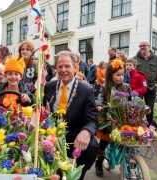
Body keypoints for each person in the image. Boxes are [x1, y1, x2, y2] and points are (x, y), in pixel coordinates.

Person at [43, 51, 99, 180]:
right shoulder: (49, 87)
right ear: (56, 68)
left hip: (74, 134)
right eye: (60, 66)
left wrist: (86, 131)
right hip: (52, 134)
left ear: (75, 67)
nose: (63, 70)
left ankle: (78, 176)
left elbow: (92, 118)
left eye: (67, 66)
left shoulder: (86, 90)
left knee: (91, 147)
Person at [95, 59, 131, 177]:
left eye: (122, 75)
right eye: (118, 75)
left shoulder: (126, 87)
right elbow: (100, 97)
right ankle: (99, 161)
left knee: (128, 139)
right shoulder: (105, 87)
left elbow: (131, 100)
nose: (120, 77)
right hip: (108, 118)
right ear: (110, 75)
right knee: (104, 141)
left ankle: (126, 160)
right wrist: (100, 105)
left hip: (122, 118)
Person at [133, 40, 157, 127]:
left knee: (149, 108)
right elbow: (131, 72)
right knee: (136, 107)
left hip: (151, 87)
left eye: (144, 45)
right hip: (138, 88)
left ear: (149, 46)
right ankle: (136, 127)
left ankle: (149, 127)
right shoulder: (134, 59)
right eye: (140, 46)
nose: (142, 47)